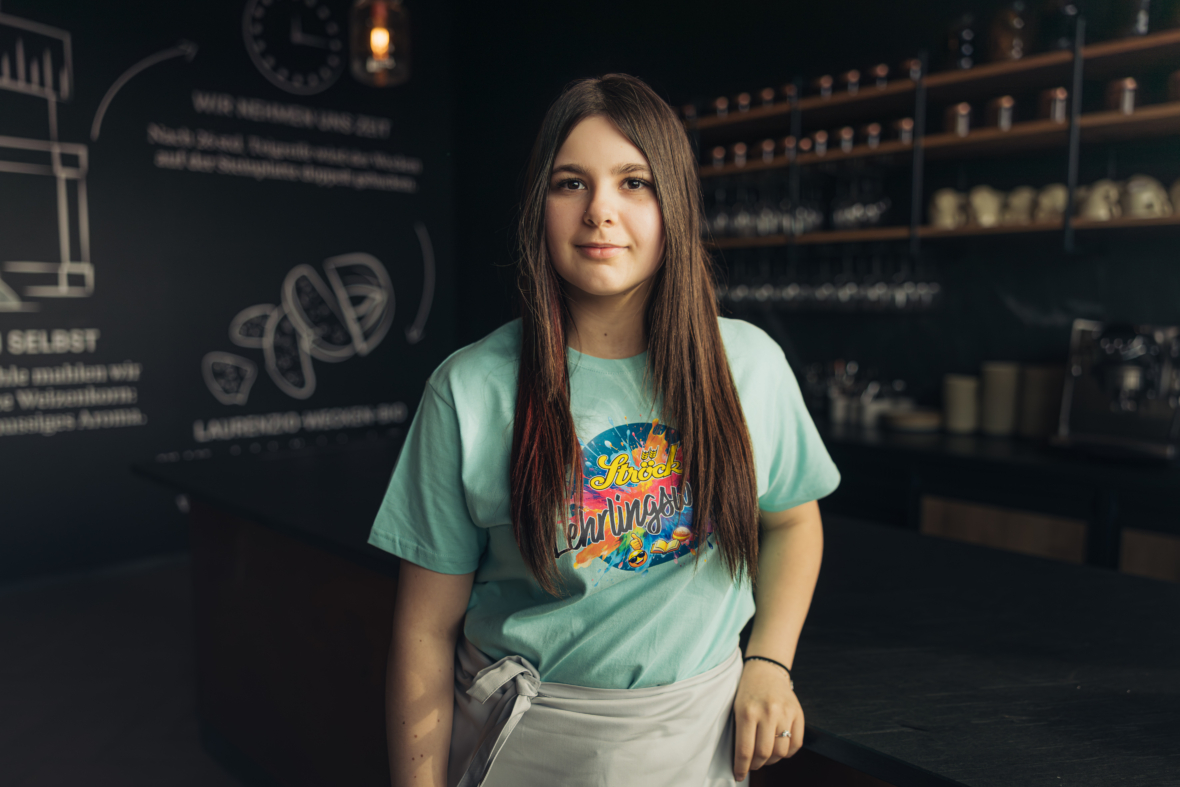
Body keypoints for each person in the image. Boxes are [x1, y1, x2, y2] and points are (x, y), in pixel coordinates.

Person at [368, 73, 840, 787]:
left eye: (634, 182)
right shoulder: (468, 388)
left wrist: (770, 660)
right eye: (570, 183)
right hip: (526, 747)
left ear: (674, 204)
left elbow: (794, 522)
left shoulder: (749, 365)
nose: (600, 213)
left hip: (694, 745)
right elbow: (424, 632)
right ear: (539, 207)